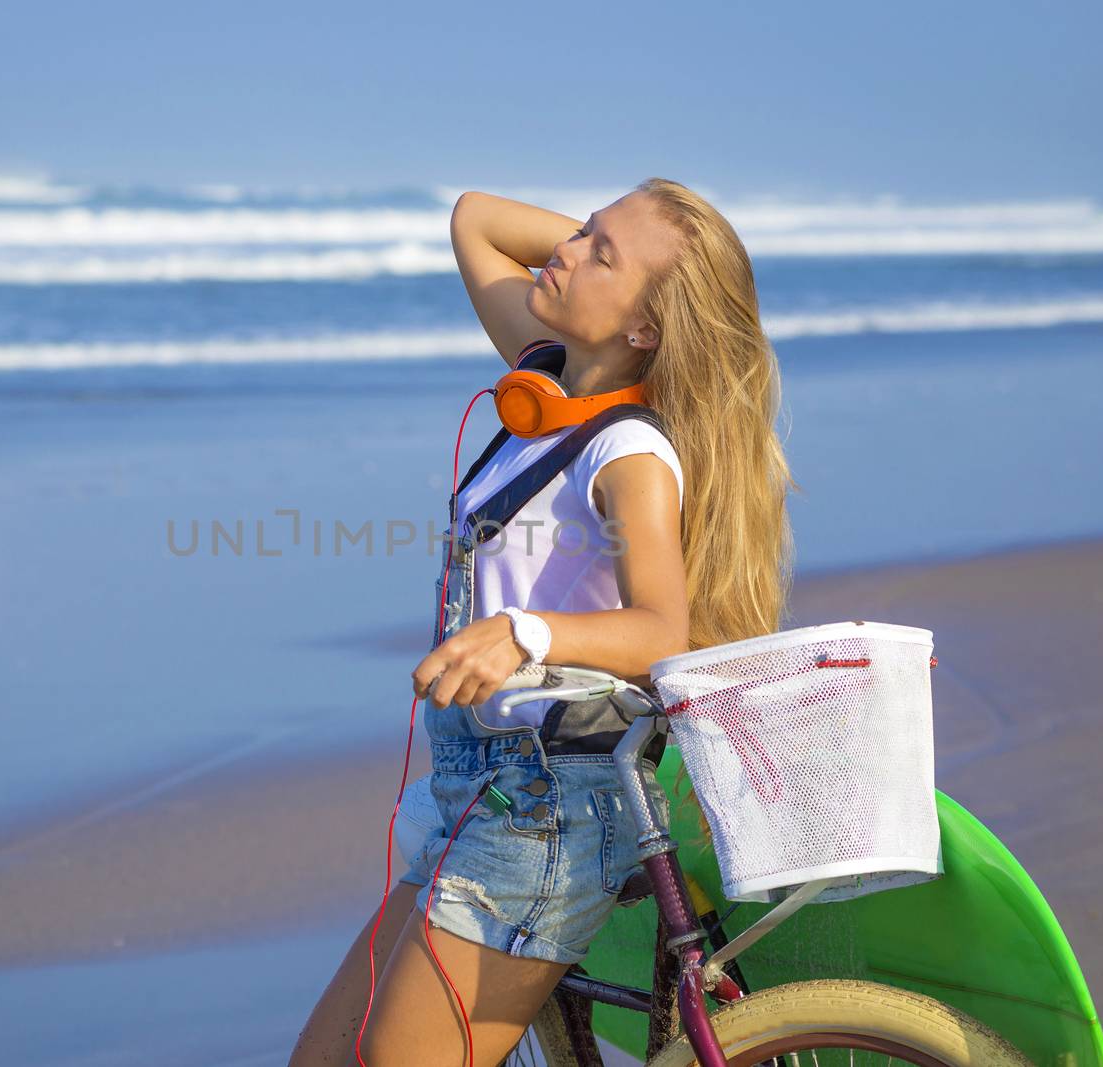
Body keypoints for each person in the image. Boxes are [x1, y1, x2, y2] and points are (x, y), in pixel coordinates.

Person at [289, 180, 796, 1066]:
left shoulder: (628, 451)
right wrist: (608, 261)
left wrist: (526, 632)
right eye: (586, 227)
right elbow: (475, 219)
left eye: (600, 252)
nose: (564, 250)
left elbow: (663, 631)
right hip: (472, 788)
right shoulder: (546, 379)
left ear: (647, 328)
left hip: (546, 808)